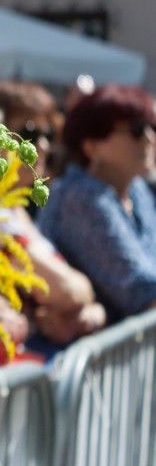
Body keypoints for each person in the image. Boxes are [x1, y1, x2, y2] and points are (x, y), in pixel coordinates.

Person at [0, 80, 106, 353]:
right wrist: (81, 308)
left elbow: (82, 296)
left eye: (48, 133)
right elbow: (70, 292)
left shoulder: (15, 211)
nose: (44, 146)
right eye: (29, 133)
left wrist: (91, 314)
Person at [36, 84, 156, 325]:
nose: (149, 139)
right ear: (92, 146)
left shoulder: (136, 189)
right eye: (136, 130)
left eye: (152, 127)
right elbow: (140, 291)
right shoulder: (81, 196)